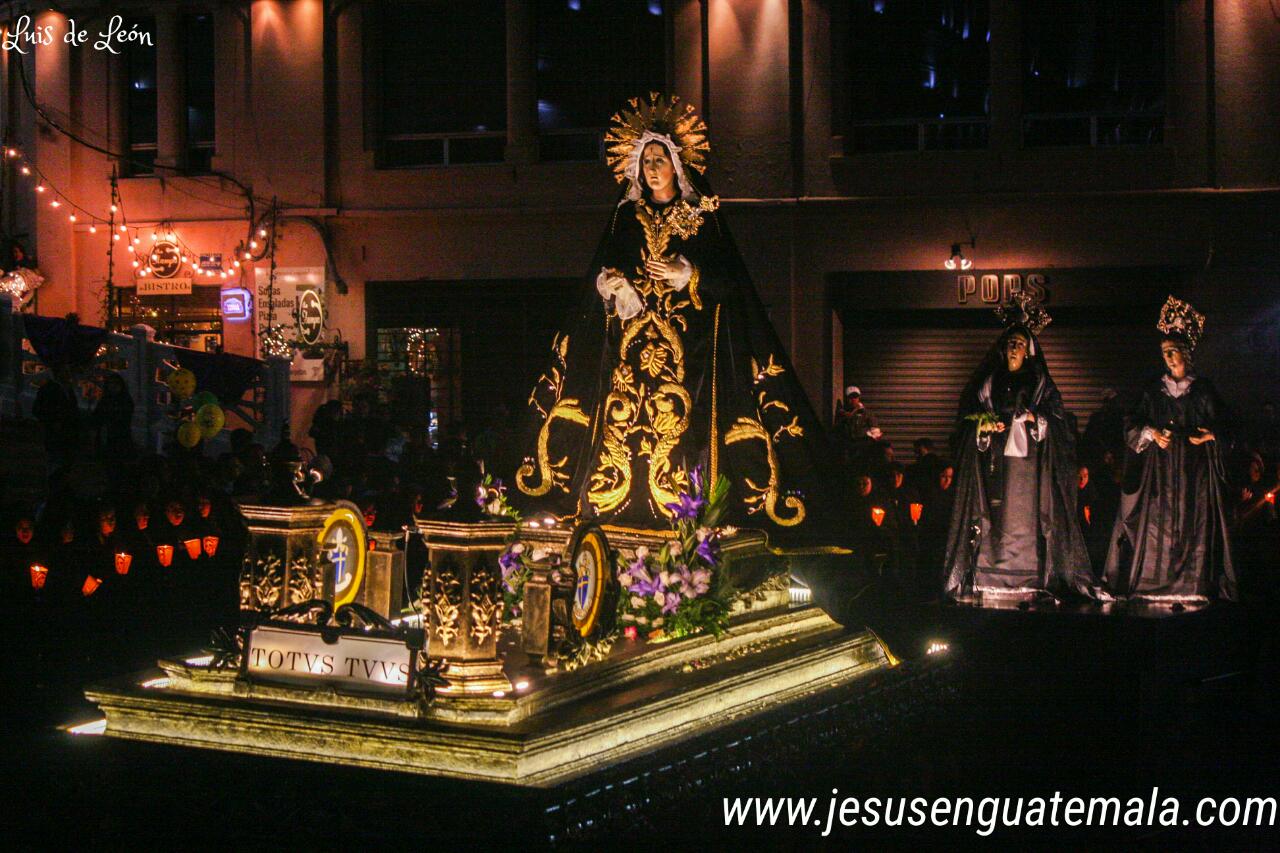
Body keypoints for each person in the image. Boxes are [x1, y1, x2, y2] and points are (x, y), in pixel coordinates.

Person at [512, 94, 846, 545]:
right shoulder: (625, 218)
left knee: (682, 434)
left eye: (660, 159)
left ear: (677, 164)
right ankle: (613, 503)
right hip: (630, 361)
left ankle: (686, 511)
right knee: (621, 429)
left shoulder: (702, 217)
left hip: (689, 360)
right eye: (646, 160)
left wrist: (690, 276)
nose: (652, 168)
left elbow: (732, 286)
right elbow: (603, 275)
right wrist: (613, 286)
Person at [942, 295, 1097, 600]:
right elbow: (967, 422)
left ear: (1028, 350)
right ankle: (991, 574)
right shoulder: (989, 383)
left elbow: (1060, 421)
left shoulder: (1039, 382)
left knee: (1027, 517)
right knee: (994, 516)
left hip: (1029, 466)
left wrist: (1033, 418)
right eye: (1011, 342)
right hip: (995, 463)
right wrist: (984, 428)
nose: (1014, 347)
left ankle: (1031, 574)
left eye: (1020, 343)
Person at [1103, 296, 1237, 602]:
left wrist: (1210, 436)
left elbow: (1227, 425)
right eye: (1165, 352)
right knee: (1157, 526)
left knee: (1193, 524)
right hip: (1161, 474)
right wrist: (1151, 433)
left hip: (1194, 473)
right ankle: (1156, 583)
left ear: (1186, 353)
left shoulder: (1203, 391)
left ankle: (1192, 584)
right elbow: (1132, 424)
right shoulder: (1154, 390)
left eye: (1173, 351)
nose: (1169, 357)